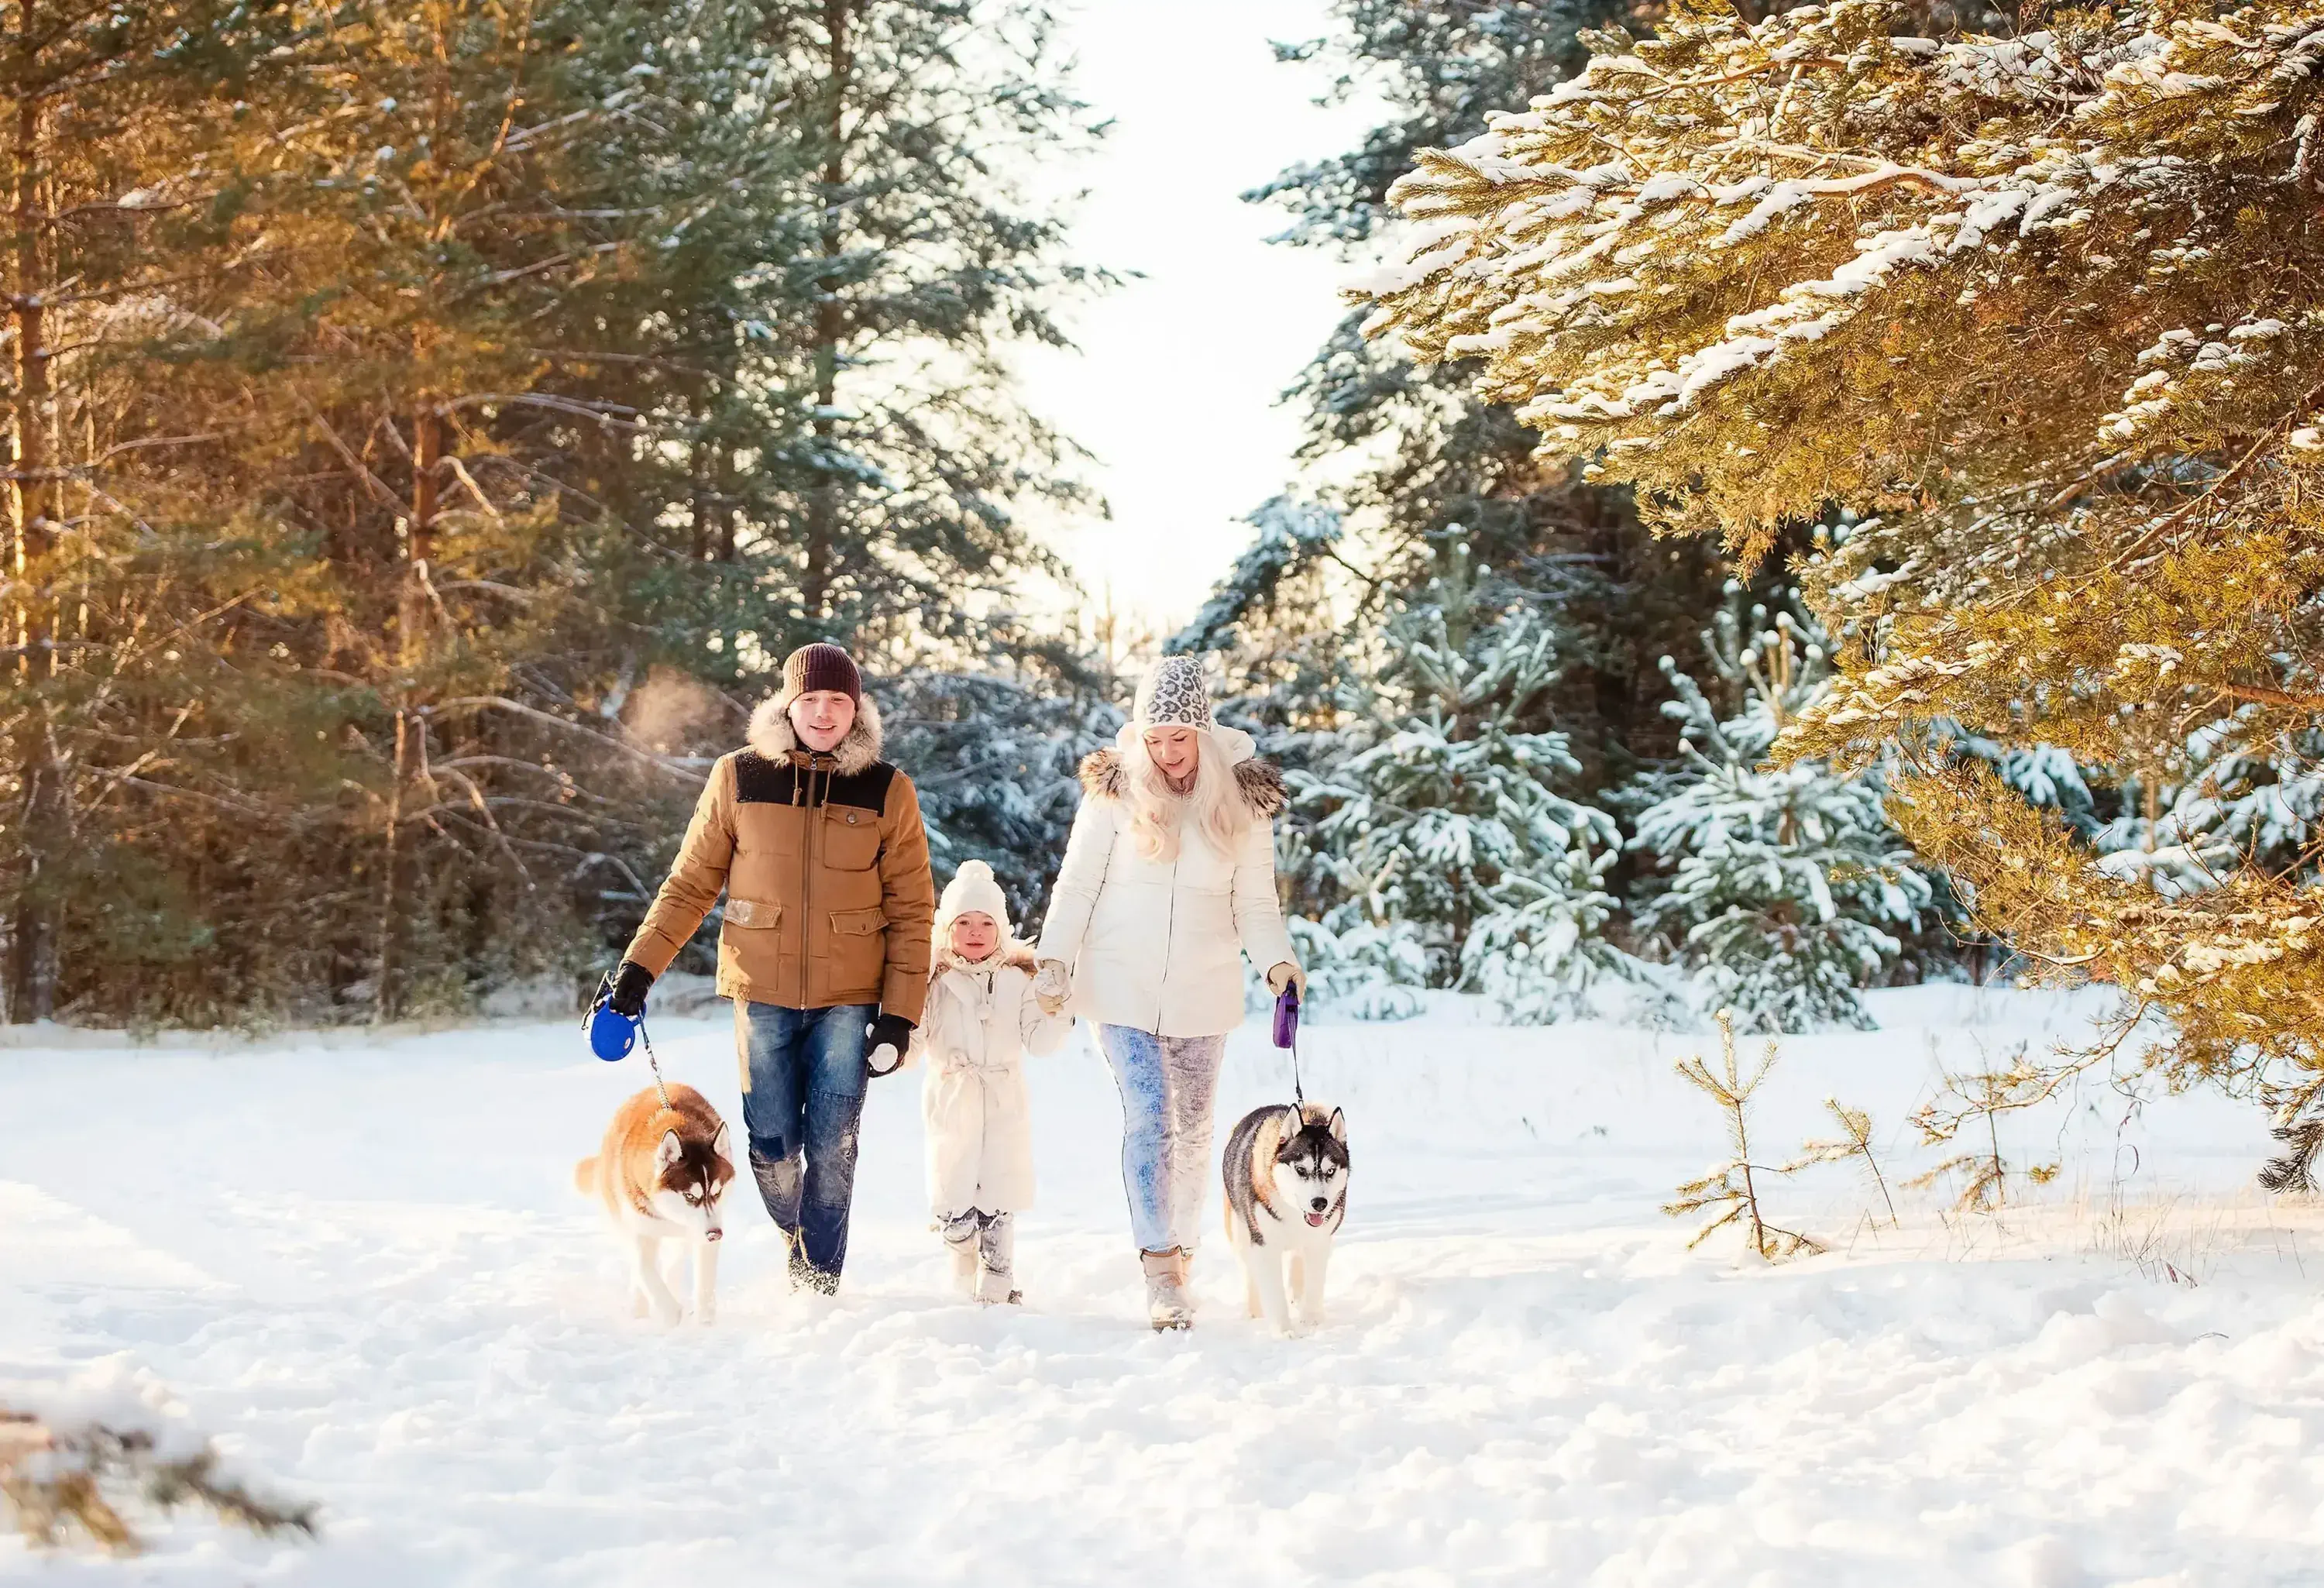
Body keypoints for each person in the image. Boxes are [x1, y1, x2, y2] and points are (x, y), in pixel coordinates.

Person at [601, 641, 935, 1294]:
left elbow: (914, 910)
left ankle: (819, 1280)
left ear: (856, 708)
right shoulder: (740, 776)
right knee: (771, 1148)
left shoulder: (886, 789)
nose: (823, 712)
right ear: (788, 703)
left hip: (851, 995)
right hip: (764, 988)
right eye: (810, 698)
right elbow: (690, 885)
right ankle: (796, 1236)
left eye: (838, 700)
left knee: (833, 1146)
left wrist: (899, 1016)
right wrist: (638, 970)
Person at [1035, 655, 1305, 1330]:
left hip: (1202, 990)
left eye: (1178, 737)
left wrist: (1278, 964)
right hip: (1119, 986)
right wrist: (1053, 960)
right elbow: (1076, 887)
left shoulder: (1242, 803)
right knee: (1151, 1115)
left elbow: (1257, 904)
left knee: (1193, 1129)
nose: (1165, 753)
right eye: (1153, 738)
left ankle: (1183, 1251)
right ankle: (1159, 1270)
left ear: (1203, 732)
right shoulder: (1114, 795)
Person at [910, 860, 1072, 1306]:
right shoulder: (933, 981)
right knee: (952, 1202)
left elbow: (1039, 1041)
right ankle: (961, 1245)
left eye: (986, 923)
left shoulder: (1018, 980)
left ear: (1000, 929)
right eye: (964, 922)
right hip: (952, 1097)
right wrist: (890, 1042)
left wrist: (1057, 1009)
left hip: (1003, 1099)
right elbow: (915, 1040)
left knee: (999, 1196)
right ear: (948, 928)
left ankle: (999, 1283)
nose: (975, 931)